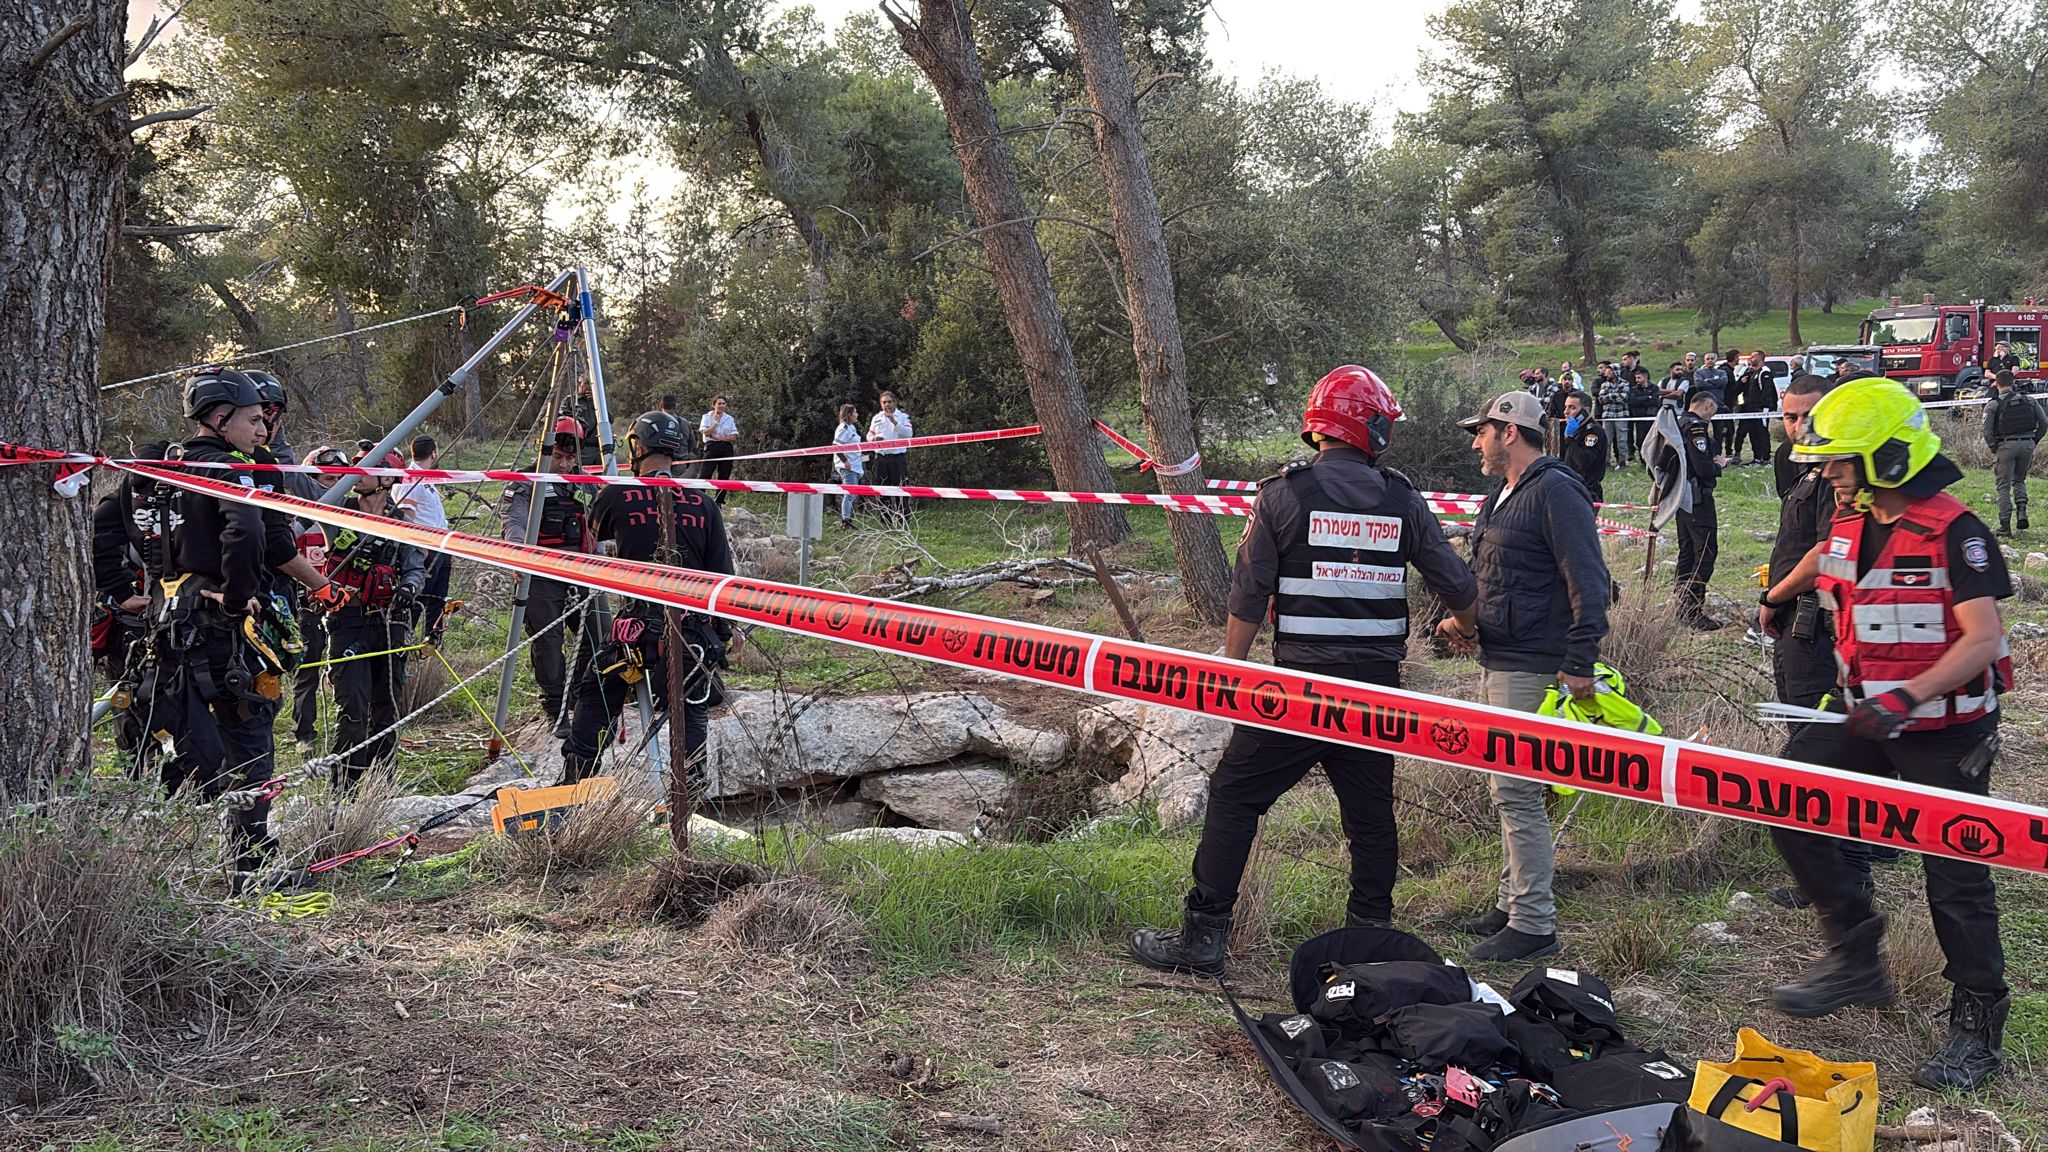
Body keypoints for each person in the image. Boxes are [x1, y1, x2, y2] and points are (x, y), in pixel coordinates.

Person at [1129, 367, 1479, 976]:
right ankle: (1370, 939)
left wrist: (1230, 671)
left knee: (1235, 797)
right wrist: (1467, 630)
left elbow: (1248, 594)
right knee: (1371, 818)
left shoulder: (1282, 495)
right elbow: (1458, 585)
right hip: (1375, 696)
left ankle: (1203, 937)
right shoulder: (1403, 500)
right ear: (1369, 427)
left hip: (1296, 692)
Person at [1759, 378, 2014, 1092]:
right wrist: (1776, 596)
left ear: (1888, 457)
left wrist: (1906, 697)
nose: (1827, 474)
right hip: (1865, 712)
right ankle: (1856, 954)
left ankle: (1978, 1025)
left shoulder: (1956, 531)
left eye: (1839, 461)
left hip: (1945, 727)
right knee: (1787, 797)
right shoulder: (1848, 522)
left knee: (1955, 874)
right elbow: (1826, 559)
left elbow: (1983, 639)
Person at [1440, 390, 1611, 962]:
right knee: (1506, 788)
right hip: (1501, 656)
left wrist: (1580, 659)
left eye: (1481, 432)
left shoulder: (1556, 489)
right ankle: (1510, 904)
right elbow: (1496, 575)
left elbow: (1588, 578)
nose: (1476, 443)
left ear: (1509, 431)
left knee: (1517, 791)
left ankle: (1533, 923)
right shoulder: (1503, 495)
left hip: (1534, 662)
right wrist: (1466, 625)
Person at [152, 370, 302, 884]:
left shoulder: (163, 467)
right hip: (223, 631)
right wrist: (240, 597)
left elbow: (128, 531)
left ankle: (172, 862)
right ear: (220, 419)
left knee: (190, 742)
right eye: (254, 420)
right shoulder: (229, 470)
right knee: (250, 741)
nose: (263, 431)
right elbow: (249, 531)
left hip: (172, 623)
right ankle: (250, 866)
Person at [561, 410, 738, 787]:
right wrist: (725, 631)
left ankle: (576, 780)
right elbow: (721, 575)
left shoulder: (617, 495)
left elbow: (597, 528)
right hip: (690, 632)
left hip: (635, 631)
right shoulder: (703, 503)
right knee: (691, 707)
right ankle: (690, 790)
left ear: (637, 448)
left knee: (596, 694)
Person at [324, 449, 427, 793]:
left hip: (389, 623)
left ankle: (382, 789)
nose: (359, 473)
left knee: (386, 709)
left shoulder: (401, 524)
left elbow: (415, 567)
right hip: (347, 621)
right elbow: (306, 491)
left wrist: (409, 587)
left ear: (387, 479)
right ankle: (344, 791)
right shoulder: (335, 512)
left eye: (369, 468)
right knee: (352, 712)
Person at [505, 416, 591, 732]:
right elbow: (514, 520)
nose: (564, 465)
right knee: (548, 643)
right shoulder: (526, 481)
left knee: (598, 634)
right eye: (557, 457)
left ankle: (581, 695)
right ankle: (556, 707)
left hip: (583, 571)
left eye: (570, 458)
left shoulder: (586, 482)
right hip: (542, 570)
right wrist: (518, 554)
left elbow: (600, 520)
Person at [91, 442, 173, 759]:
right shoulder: (123, 501)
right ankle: (136, 764)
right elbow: (98, 540)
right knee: (128, 698)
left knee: (168, 701)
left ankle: (167, 764)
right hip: (132, 625)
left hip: (178, 618)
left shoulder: (190, 496)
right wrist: (123, 593)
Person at [291, 444, 350, 753]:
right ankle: (304, 735)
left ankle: (348, 731)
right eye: (328, 479)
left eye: (339, 480)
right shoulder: (294, 515)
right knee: (307, 670)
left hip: (342, 602)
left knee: (344, 670)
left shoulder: (347, 513)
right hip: (307, 604)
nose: (333, 486)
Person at [1667, 392, 1727, 630]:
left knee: (1688, 553)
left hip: (1681, 498)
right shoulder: (1695, 428)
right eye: (1714, 410)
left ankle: (1681, 604)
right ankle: (1692, 610)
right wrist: (1719, 465)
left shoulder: (1678, 423)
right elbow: (1702, 467)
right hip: (1697, 498)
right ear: (1709, 406)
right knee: (1704, 553)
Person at [395, 436, 452, 641]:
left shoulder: (426, 478)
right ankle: (403, 641)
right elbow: (406, 517)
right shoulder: (411, 479)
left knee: (437, 600)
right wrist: (419, 549)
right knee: (418, 601)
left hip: (442, 547)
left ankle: (432, 644)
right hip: (426, 549)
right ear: (434, 454)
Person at [1982, 371, 2043, 536]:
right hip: (2027, 444)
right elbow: (2044, 422)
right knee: (2019, 480)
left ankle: (2005, 526)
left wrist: (1994, 447)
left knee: (2003, 487)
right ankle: (2021, 512)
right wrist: (2033, 440)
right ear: (2013, 383)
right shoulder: (2029, 400)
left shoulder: (1993, 405)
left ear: (1996, 384)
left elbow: (1987, 430)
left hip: (2005, 446)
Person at [867, 391, 914, 521]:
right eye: (884, 402)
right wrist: (873, 439)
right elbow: (869, 436)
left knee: (900, 489)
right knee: (883, 489)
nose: (887, 404)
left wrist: (893, 421)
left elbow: (909, 434)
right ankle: (885, 519)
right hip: (881, 458)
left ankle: (903, 518)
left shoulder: (902, 417)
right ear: (881, 404)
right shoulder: (877, 418)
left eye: (889, 402)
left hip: (897, 458)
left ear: (894, 402)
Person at [1557, 393, 1609, 505]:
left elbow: (1583, 461)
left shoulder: (1593, 431)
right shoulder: (1575, 429)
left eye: (1572, 407)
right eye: (1566, 407)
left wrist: (1570, 440)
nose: (1566, 412)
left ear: (1585, 411)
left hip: (1587, 490)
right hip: (1571, 486)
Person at [693, 395, 739, 504]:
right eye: (719, 403)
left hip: (726, 448)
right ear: (714, 405)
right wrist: (716, 423)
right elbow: (706, 432)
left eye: (723, 403)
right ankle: (699, 499)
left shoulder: (729, 418)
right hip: (711, 447)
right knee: (705, 474)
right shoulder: (707, 417)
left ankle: (719, 501)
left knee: (724, 475)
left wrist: (718, 437)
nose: (721, 406)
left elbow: (734, 437)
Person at [1730, 350, 1774, 464]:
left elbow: (1767, 391)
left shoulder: (1765, 372)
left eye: (1753, 356)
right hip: (1751, 410)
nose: (1751, 358)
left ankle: (1765, 458)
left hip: (1761, 410)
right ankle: (1757, 458)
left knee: (1762, 433)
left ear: (1760, 358)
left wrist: (1764, 407)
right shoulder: (1752, 374)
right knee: (1754, 434)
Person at [832, 403, 865, 529]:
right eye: (855, 412)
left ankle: (847, 518)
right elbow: (836, 446)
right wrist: (845, 461)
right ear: (849, 415)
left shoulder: (852, 428)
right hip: (848, 467)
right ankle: (845, 520)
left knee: (852, 493)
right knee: (849, 494)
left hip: (855, 466)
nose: (857, 415)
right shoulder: (843, 428)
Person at [1596, 362, 1630, 468]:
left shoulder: (1625, 383)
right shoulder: (1604, 385)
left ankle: (1623, 461)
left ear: (1615, 372)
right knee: (1606, 440)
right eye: (1607, 371)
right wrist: (1614, 395)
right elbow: (1601, 399)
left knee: (1622, 440)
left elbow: (1623, 398)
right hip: (1607, 416)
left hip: (1621, 415)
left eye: (1610, 371)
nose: (1607, 374)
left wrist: (1609, 396)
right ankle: (1606, 462)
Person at [1625, 365, 1661, 460]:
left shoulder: (1654, 388)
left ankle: (1653, 458)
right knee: (1640, 439)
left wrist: (1642, 400)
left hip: (1651, 417)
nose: (1636, 380)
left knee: (1652, 439)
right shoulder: (1634, 389)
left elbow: (1655, 401)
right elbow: (1633, 401)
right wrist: (1647, 397)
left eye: (1639, 378)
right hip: (1639, 418)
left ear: (1645, 377)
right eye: (1636, 378)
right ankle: (1642, 459)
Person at [572, 378, 601, 467]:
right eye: (586, 383)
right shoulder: (572, 401)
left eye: (591, 383)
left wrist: (594, 403)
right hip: (581, 448)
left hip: (598, 449)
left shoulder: (599, 401)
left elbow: (610, 419)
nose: (589, 387)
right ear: (579, 384)